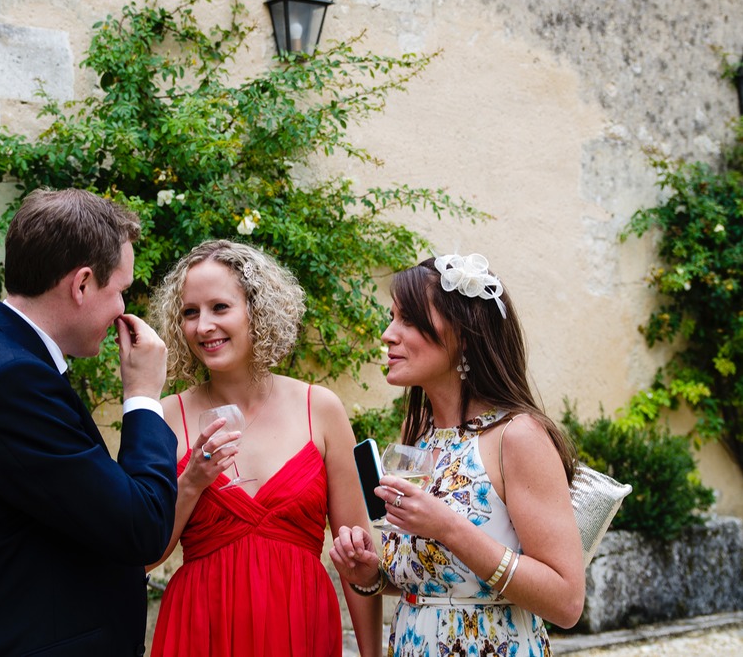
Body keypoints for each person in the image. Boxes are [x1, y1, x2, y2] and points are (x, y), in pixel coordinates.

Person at [0, 188, 178, 656]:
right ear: (82, 284)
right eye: (120, 290)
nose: (122, 308)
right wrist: (142, 397)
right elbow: (141, 527)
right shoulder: (13, 382)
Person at [329, 253, 585, 656]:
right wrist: (371, 575)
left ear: (463, 335)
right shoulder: (418, 435)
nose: (388, 334)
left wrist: (449, 528)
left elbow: (566, 602)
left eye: (407, 319)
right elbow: (441, 580)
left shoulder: (518, 437)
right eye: (392, 317)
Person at [146, 240, 383, 657]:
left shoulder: (320, 409)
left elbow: (357, 560)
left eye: (220, 307)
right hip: (201, 630)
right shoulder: (166, 416)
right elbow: (144, 557)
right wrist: (191, 484)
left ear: (258, 310)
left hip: (300, 628)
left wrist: (372, 655)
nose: (203, 326)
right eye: (190, 312)